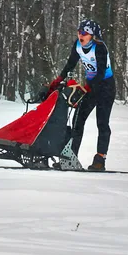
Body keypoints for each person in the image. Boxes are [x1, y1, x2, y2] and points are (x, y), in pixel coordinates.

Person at [48, 19, 115, 171]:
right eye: (79, 32)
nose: (80, 35)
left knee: (102, 123)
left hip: (106, 88)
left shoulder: (100, 48)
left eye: (84, 33)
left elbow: (101, 72)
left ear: (92, 36)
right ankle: (69, 158)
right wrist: (59, 79)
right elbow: (70, 63)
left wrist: (87, 86)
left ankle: (100, 160)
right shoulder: (78, 45)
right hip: (91, 87)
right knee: (77, 120)